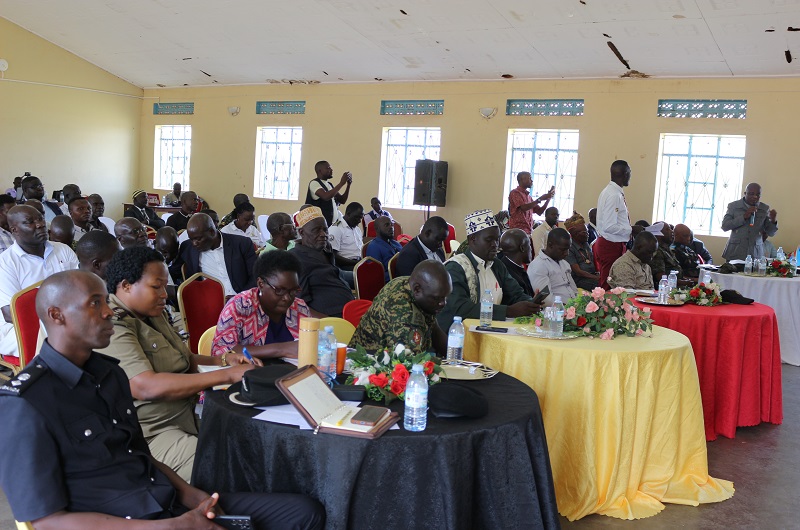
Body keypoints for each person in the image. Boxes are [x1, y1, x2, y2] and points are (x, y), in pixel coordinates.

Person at [0, 270, 324, 529]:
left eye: (105, 301)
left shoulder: (109, 373)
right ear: (56, 315)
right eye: (95, 303)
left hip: (164, 502)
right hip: (131, 521)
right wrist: (173, 526)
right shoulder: (25, 402)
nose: (108, 311)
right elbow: (47, 521)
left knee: (304, 512)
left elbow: (140, 454)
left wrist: (193, 496)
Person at [99, 247, 260, 481]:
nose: (164, 294)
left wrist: (224, 360)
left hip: (186, 417)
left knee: (253, 441)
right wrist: (228, 375)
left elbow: (183, 360)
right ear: (126, 286)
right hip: (151, 433)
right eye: (156, 287)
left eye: (165, 286)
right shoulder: (113, 325)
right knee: (225, 469)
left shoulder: (152, 314)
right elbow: (145, 386)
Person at [437, 209, 541, 329]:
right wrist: (509, 311)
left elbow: (515, 293)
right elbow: (461, 308)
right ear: (472, 239)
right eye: (489, 240)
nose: (495, 244)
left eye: (497, 239)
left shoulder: (497, 265)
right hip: (457, 333)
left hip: (489, 330)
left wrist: (531, 303)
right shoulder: (456, 267)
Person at [0, 205, 78, 358]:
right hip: (20, 328)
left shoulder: (63, 250)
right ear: (14, 230)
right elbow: (11, 314)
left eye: (41, 219)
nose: (40, 224)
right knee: (64, 342)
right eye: (30, 222)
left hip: (67, 318)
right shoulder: (5, 263)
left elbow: (80, 290)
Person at [212, 250, 311, 360]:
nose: (287, 298)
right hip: (252, 370)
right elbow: (221, 351)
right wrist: (281, 349)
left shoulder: (299, 307)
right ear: (261, 284)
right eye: (279, 290)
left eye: (293, 291)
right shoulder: (240, 306)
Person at [350, 260, 451, 355]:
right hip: (366, 362)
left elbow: (435, 331)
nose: (443, 303)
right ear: (417, 289)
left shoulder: (413, 285)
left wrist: (455, 356)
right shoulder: (401, 311)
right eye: (437, 298)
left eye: (445, 297)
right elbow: (411, 361)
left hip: (390, 360)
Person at [171, 213, 257, 297]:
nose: (194, 243)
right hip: (210, 301)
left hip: (243, 298)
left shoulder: (241, 244)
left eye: (198, 239)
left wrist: (239, 298)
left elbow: (255, 276)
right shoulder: (188, 248)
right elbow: (173, 272)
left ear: (212, 232)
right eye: (191, 239)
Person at [289, 206, 354, 318]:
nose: (323, 234)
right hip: (330, 318)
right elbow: (299, 306)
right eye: (316, 230)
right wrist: (329, 322)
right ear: (302, 232)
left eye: (325, 229)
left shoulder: (325, 250)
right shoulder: (295, 259)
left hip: (349, 309)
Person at [595, 160, 633, 289]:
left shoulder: (611, 191)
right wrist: (630, 230)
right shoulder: (613, 195)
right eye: (630, 173)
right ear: (625, 174)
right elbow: (609, 226)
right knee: (608, 285)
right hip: (610, 244)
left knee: (613, 283)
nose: (630, 176)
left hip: (612, 243)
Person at [721, 183, 778, 261]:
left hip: (755, 253)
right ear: (745, 193)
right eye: (751, 194)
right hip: (735, 251)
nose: (755, 197)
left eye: (758, 194)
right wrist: (744, 217)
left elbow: (771, 233)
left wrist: (773, 221)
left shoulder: (764, 208)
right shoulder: (734, 206)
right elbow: (724, 226)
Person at [527, 228, 578, 306]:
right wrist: (567, 308)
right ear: (550, 245)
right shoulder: (538, 266)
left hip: (573, 306)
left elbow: (573, 289)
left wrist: (579, 303)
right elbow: (545, 299)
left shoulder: (564, 263)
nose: (567, 253)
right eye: (563, 250)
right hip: (557, 310)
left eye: (568, 249)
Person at [305, 160, 352, 227]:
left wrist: (348, 185)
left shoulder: (329, 185)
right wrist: (341, 183)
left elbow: (342, 200)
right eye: (328, 168)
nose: (331, 170)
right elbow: (326, 197)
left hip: (332, 224)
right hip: (319, 225)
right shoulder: (314, 183)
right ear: (320, 171)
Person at [563, 213, 599, 291]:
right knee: (600, 285)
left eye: (587, 231)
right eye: (585, 232)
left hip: (591, 276)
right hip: (578, 279)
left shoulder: (585, 244)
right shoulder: (570, 248)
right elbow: (578, 272)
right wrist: (596, 278)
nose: (588, 234)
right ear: (575, 234)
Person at [498, 228, 534, 297]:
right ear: (522, 248)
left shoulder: (514, 267)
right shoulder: (507, 275)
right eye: (529, 245)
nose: (531, 249)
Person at [329, 202, 364, 270]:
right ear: (348, 214)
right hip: (345, 266)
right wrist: (355, 263)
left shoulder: (357, 229)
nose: (359, 221)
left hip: (358, 263)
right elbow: (333, 255)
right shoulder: (336, 228)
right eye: (357, 217)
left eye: (361, 218)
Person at [365, 216, 402, 282]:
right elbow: (376, 275)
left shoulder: (396, 243)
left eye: (391, 224)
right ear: (377, 229)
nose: (391, 227)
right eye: (386, 225)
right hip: (392, 283)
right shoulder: (374, 247)